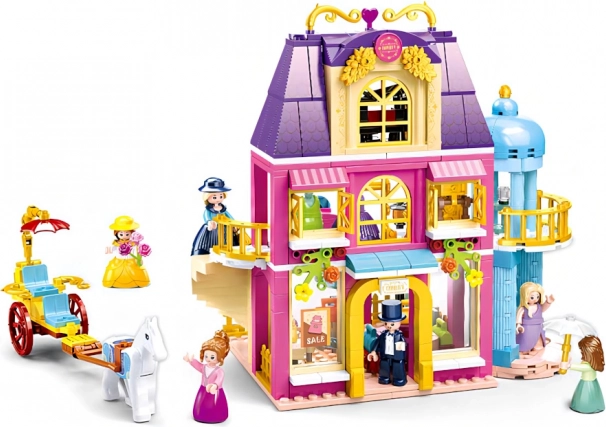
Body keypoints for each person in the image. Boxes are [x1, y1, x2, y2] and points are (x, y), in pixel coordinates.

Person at [184, 330, 231, 423]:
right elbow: (198, 365)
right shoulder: (204, 367)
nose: (208, 359)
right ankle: (201, 415)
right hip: (203, 390)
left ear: (220, 357)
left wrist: (215, 385)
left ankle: (217, 415)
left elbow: (219, 379)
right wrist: (190, 360)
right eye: (206, 356)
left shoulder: (219, 371)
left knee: (216, 407)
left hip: (215, 392)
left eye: (212, 357)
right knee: (200, 406)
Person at [191, 177, 239, 256]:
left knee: (228, 239)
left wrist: (234, 223)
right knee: (212, 241)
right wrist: (209, 222)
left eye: (221, 196)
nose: (218, 199)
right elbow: (206, 216)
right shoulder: (209, 210)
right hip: (214, 229)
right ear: (207, 197)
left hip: (225, 228)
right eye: (214, 197)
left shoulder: (223, 209)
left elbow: (229, 216)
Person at [560, 335, 605, 414]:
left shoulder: (589, 366)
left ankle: (586, 407)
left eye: (582, 351)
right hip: (588, 382)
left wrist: (569, 366)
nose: (581, 353)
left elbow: (583, 367)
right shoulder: (588, 363)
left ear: (589, 352)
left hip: (587, 383)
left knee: (585, 395)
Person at [102, 216, 150, 288]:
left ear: (132, 233)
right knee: (113, 270)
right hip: (118, 261)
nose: (124, 236)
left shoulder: (133, 243)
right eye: (121, 234)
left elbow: (137, 251)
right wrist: (109, 250)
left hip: (131, 261)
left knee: (136, 271)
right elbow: (113, 249)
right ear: (116, 233)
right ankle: (111, 282)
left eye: (127, 234)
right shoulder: (116, 243)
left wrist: (139, 258)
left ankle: (140, 281)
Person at [367, 300, 407, 386]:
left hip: (396, 356)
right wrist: (374, 351)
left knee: (398, 366)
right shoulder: (383, 334)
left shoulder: (399, 335)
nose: (388, 326)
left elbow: (403, 344)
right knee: (384, 365)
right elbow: (377, 342)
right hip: (385, 354)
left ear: (399, 322)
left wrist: (401, 346)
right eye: (386, 323)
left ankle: (399, 379)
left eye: (392, 324)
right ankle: (384, 378)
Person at [515, 282, 554, 355]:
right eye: (532, 297)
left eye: (537, 297)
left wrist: (548, 302)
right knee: (525, 342)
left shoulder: (538, 306)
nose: (535, 299)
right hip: (527, 329)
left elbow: (543, 308)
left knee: (538, 343)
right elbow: (519, 317)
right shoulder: (523, 308)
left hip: (537, 328)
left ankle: (536, 351)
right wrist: (518, 325)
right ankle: (525, 351)